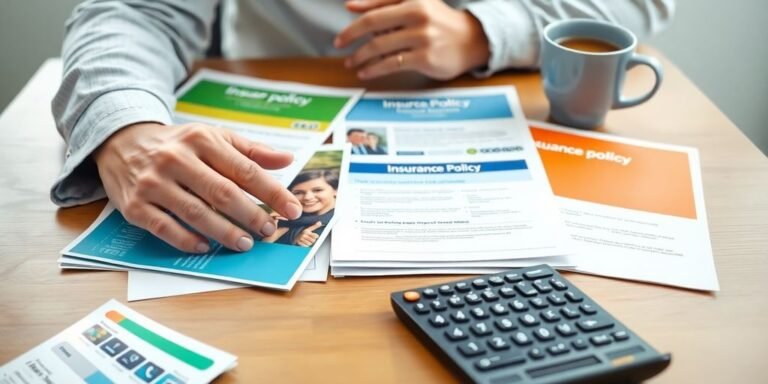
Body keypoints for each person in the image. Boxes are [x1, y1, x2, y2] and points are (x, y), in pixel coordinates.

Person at [52, 0, 675, 253]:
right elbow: (129, 10)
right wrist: (124, 125)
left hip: (499, 127)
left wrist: (485, 29)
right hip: (267, 114)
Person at [261, 170, 338, 247]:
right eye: (298, 193)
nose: (308, 197)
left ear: (336, 190)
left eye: (317, 190)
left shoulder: (339, 223)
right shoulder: (285, 220)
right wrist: (270, 233)